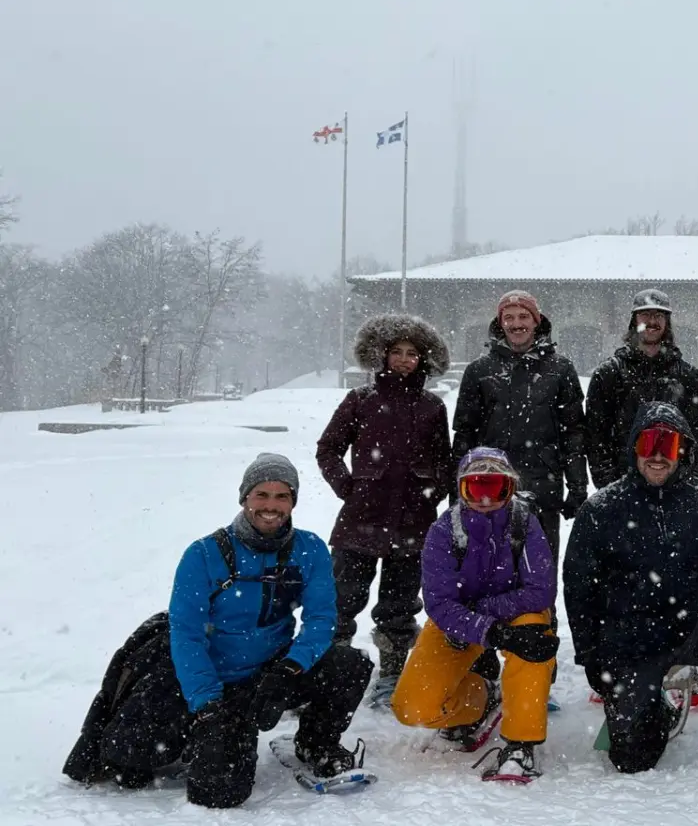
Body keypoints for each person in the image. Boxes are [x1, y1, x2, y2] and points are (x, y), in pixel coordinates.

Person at [87, 454, 371, 808]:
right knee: (213, 791)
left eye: (282, 496)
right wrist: (208, 704)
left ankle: (317, 744)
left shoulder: (309, 548)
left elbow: (321, 619)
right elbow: (186, 635)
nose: (271, 505)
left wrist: (290, 669)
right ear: (244, 498)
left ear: (293, 502)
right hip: (210, 681)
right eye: (261, 495)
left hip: (270, 671)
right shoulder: (203, 554)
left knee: (351, 663)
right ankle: (194, 734)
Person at [563, 402, 698, 791]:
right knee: (631, 759)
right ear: (635, 448)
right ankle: (655, 709)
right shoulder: (602, 508)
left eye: (669, 443)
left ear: (684, 449)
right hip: (633, 638)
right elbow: (580, 590)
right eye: (649, 442)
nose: (658, 455)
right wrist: (592, 656)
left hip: (695, 622)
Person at [390, 448, 558, 781]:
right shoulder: (444, 531)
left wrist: (487, 618)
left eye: (496, 488)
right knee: (411, 707)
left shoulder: (524, 523)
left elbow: (540, 590)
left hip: (508, 613)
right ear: (460, 490)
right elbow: (438, 603)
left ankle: (521, 742)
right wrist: (486, 629)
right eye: (474, 489)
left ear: (510, 489)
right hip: (459, 621)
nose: (485, 500)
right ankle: (481, 700)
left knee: (533, 638)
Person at [316, 313, 452, 707]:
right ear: (383, 355)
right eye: (397, 352)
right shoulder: (360, 400)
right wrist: (348, 487)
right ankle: (328, 668)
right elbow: (328, 449)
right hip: (361, 521)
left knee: (399, 602)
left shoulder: (431, 407)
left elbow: (443, 461)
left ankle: (392, 672)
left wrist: (431, 493)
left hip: (413, 523)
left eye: (412, 353)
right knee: (342, 599)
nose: (405, 359)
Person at [451, 290, 589, 557]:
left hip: (543, 487)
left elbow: (573, 433)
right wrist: (457, 488)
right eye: (509, 317)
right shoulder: (479, 371)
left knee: (540, 570)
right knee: (491, 570)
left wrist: (578, 486)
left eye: (524, 316)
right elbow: (464, 434)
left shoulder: (561, 370)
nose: (517, 324)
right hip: (487, 488)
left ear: (537, 321)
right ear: (500, 323)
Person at [585, 288, 698, 489]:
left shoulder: (689, 377)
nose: (652, 321)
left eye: (659, 315)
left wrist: (692, 482)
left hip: (675, 487)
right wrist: (609, 486)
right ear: (634, 320)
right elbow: (596, 436)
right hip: (623, 487)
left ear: (667, 322)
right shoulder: (609, 374)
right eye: (645, 314)